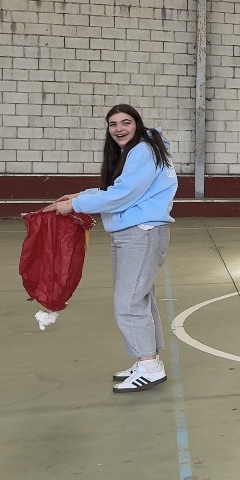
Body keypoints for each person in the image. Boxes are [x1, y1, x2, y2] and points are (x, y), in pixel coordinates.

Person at [48, 104, 178, 394]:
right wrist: (80, 195)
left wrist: (75, 205)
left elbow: (123, 195)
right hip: (132, 232)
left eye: (125, 122)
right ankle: (148, 360)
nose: (119, 129)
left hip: (141, 232)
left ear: (137, 124)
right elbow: (121, 189)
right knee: (139, 299)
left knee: (128, 302)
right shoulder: (138, 151)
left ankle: (149, 367)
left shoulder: (143, 150)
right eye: (113, 124)